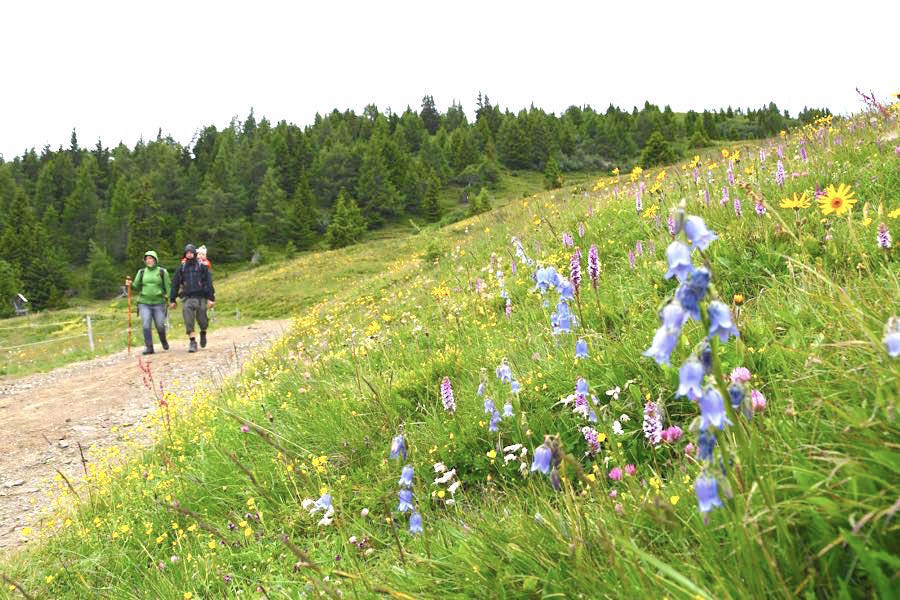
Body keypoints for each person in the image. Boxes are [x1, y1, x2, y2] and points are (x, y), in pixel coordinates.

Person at [170, 244, 215, 353]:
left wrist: (211, 298)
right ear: (185, 254)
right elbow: (175, 284)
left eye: (191, 252)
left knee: (203, 321)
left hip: (201, 298)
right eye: (187, 253)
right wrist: (172, 299)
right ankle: (192, 342)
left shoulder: (202, 267)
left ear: (194, 253)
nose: (189, 254)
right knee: (188, 321)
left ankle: (203, 332)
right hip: (187, 298)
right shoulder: (181, 268)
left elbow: (208, 283)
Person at [125, 250, 171, 355]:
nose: (149, 261)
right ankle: (149, 347)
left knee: (160, 325)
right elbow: (136, 286)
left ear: (155, 260)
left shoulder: (162, 272)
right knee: (146, 324)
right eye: (147, 259)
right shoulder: (141, 272)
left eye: (151, 258)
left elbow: (168, 287)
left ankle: (163, 340)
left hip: (159, 302)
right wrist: (130, 284)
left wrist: (170, 299)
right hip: (144, 302)